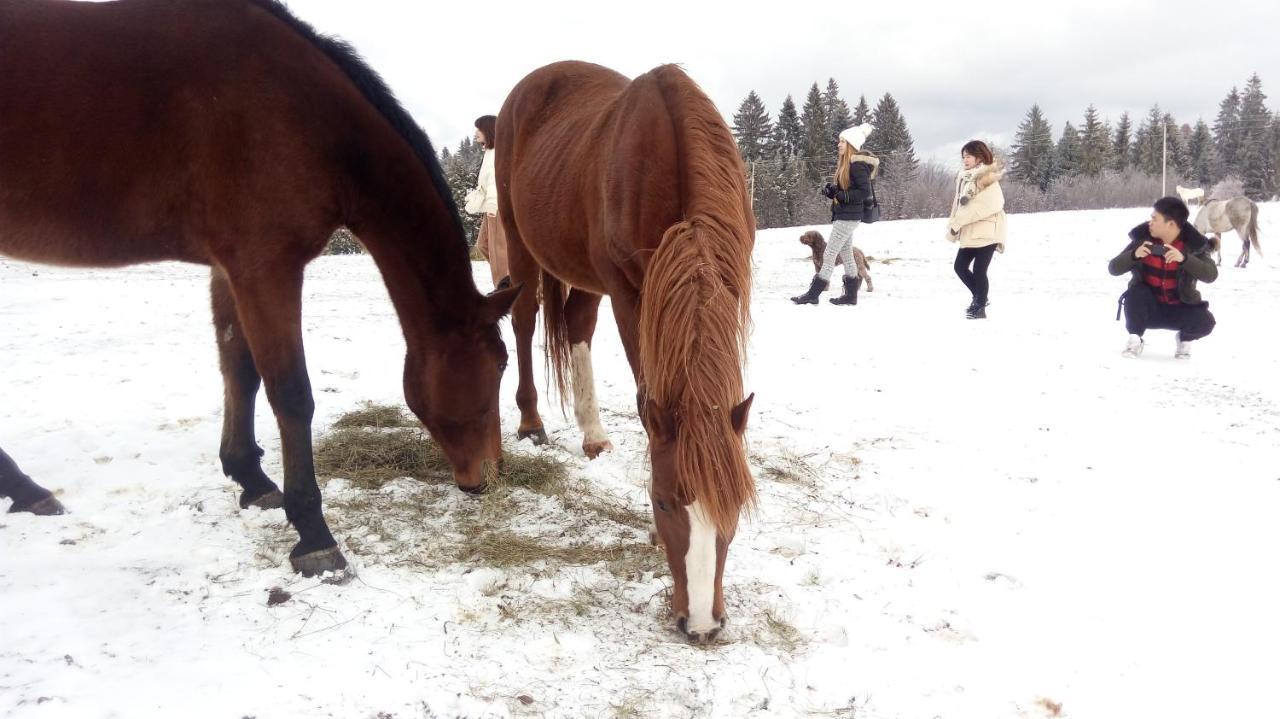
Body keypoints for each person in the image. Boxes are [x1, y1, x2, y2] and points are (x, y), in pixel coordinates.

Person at [1108, 196, 1218, 359]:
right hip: (1148, 309)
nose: (1150, 222)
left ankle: (1184, 339)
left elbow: (1211, 275)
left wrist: (1185, 259)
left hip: (1179, 309)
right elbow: (1113, 268)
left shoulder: (1193, 246)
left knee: (1206, 322)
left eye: (1154, 218)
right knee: (1134, 294)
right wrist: (1134, 255)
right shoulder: (1143, 240)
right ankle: (1135, 339)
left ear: (1171, 224)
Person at [791, 123, 877, 306]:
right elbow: (848, 190)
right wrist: (833, 191)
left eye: (843, 142)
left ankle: (813, 294)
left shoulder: (857, 165)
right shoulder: (848, 165)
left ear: (851, 144)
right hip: (846, 215)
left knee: (829, 254)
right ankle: (851, 296)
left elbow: (863, 192)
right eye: (839, 141)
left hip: (848, 217)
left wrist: (841, 195)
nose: (839, 145)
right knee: (846, 255)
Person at [945, 140, 1006, 319]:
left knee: (979, 270)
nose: (965, 160)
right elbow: (959, 205)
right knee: (960, 266)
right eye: (963, 156)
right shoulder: (966, 177)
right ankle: (980, 297)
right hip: (972, 230)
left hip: (988, 230)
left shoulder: (988, 177)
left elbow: (982, 206)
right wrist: (954, 224)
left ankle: (979, 308)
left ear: (979, 157)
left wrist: (957, 224)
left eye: (969, 156)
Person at [466, 114, 509, 291]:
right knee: (483, 244)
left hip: (496, 207)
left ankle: (504, 287)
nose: (476, 133)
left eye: (480, 129)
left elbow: (495, 182)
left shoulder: (496, 153)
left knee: (498, 250)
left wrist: (492, 206)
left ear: (489, 130)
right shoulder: (490, 152)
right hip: (491, 207)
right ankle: (511, 278)